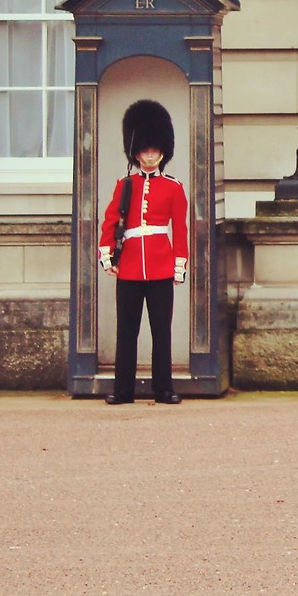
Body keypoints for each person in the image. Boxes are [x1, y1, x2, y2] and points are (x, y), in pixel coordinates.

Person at [98, 99, 189, 404]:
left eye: (154, 150)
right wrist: (108, 256)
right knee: (127, 332)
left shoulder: (174, 188)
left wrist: (179, 265)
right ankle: (123, 390)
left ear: (163, 151)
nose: (149, 155)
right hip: (131, 268)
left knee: (161, 332)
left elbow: (181, 229)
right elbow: (110, 222)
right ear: (136, 153)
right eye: (144, 150)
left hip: (161, 267)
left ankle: (163, 389)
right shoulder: (124, 184)